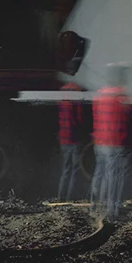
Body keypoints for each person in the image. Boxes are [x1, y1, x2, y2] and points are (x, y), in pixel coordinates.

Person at [90, 64, 132, 222]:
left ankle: (94, 207)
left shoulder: (100, 94)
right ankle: (112, 212)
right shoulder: (121, 96)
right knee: (114, 177)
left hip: (100, 142)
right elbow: (128, 118)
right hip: (115, 142)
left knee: (99, 174)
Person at [57, 69, 85, 201]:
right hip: (74, 137)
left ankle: (61, 197)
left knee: (65, 169)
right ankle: (71, 197)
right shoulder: (76, 90)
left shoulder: (63, 90)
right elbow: (78, 117)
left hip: (63, 135)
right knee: (75, 168)